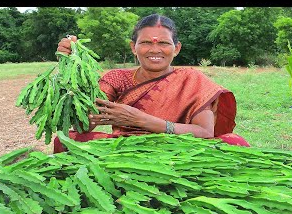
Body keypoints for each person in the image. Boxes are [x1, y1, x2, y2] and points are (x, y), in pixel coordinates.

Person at [53, 13, 250, 153]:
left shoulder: (192, 80)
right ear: (133, 47)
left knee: (234, 142)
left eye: (164, 43)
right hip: (123, 149)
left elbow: (205, 132)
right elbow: (84, 127)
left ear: (176, 48)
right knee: (65, 140)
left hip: (180, 150)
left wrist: (141, 120)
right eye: (146, 42)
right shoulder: (116, 78)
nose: (154, 49)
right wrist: (71, 64)